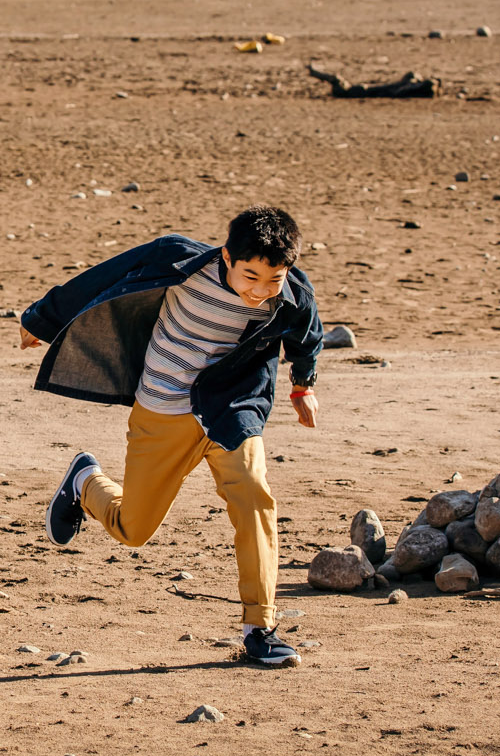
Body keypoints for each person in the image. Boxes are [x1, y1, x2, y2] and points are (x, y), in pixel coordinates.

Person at [23, 206, 323, 668]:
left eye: (273, 281)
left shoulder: (293, 292)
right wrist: (42, 320)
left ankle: (260, 628)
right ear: (226, 257)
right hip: (162, 411)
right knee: (133, 530)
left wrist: (303, 387)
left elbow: (308, 336)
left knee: (253, 496)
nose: (259, 292)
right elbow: (101, 276)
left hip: (229, 410)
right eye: (250, 277)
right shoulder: (177, 259)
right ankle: (86, 483)